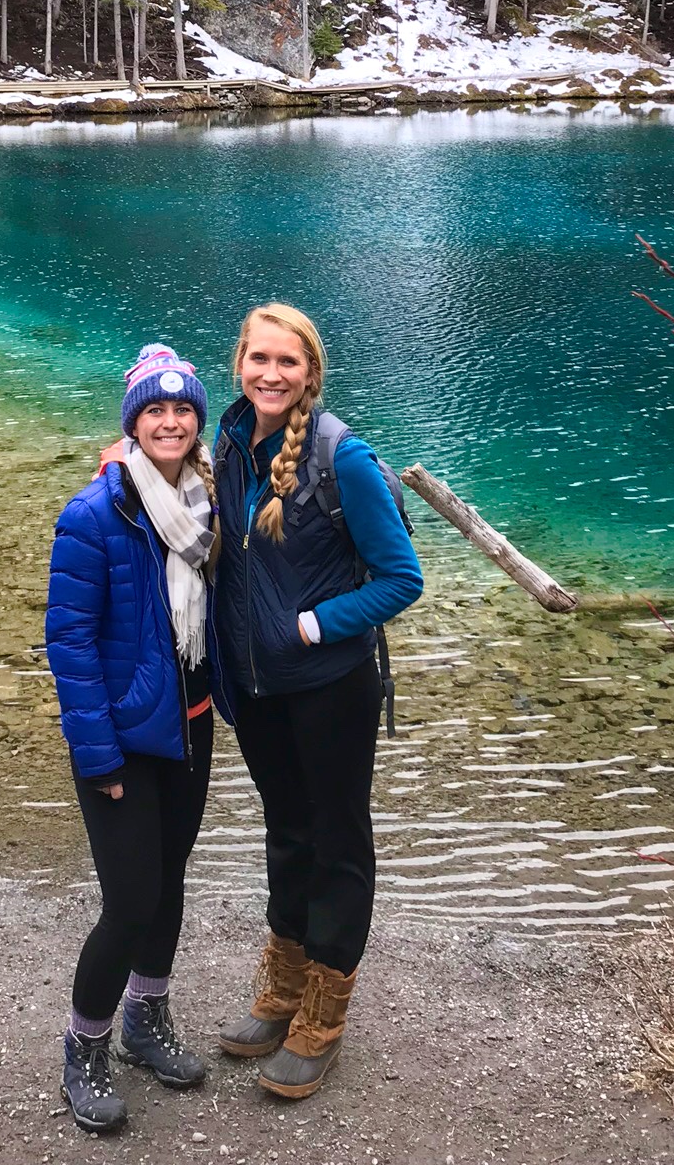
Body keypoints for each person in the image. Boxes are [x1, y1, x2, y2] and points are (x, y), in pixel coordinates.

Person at [211, 302, 423, 1100]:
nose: (270, 374)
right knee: (285, 831)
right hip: (258, 690)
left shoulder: (346, 459)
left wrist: (313, 625)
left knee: (336, 840)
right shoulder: (230, 446)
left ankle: (324, 1011)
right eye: (258, 359)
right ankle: (283, 984)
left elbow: (402, 578)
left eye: (287, 362)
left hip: (331, 686)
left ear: (310, 373)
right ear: (240, 364)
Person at [45, 343, 220, 1135]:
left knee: (170, 882)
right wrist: (98, 754)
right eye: (156, 409)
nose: (172, 421)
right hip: (122, 740)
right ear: (133, 423)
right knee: (129, 900)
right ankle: (85, 1047)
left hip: (190, 726)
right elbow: (70, 643)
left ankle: (147, 1021)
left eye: (183, 410)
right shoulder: (95, 514)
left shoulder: (209, 504)